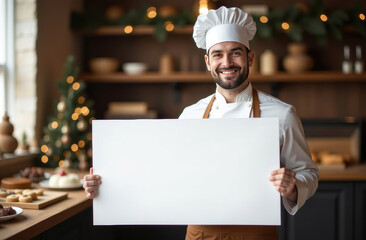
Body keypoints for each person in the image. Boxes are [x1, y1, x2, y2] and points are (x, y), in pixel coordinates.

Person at [84, 6, 319, 240]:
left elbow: (308, 172)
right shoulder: (190, 115)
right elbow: (161, 174)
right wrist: (106, 186)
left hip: (256, 233)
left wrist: (293, 185)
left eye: (235, 53)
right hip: (199, 234)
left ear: (250, 58)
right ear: (207, 62)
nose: (227, 62)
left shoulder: (282, 114)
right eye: (217, 54)